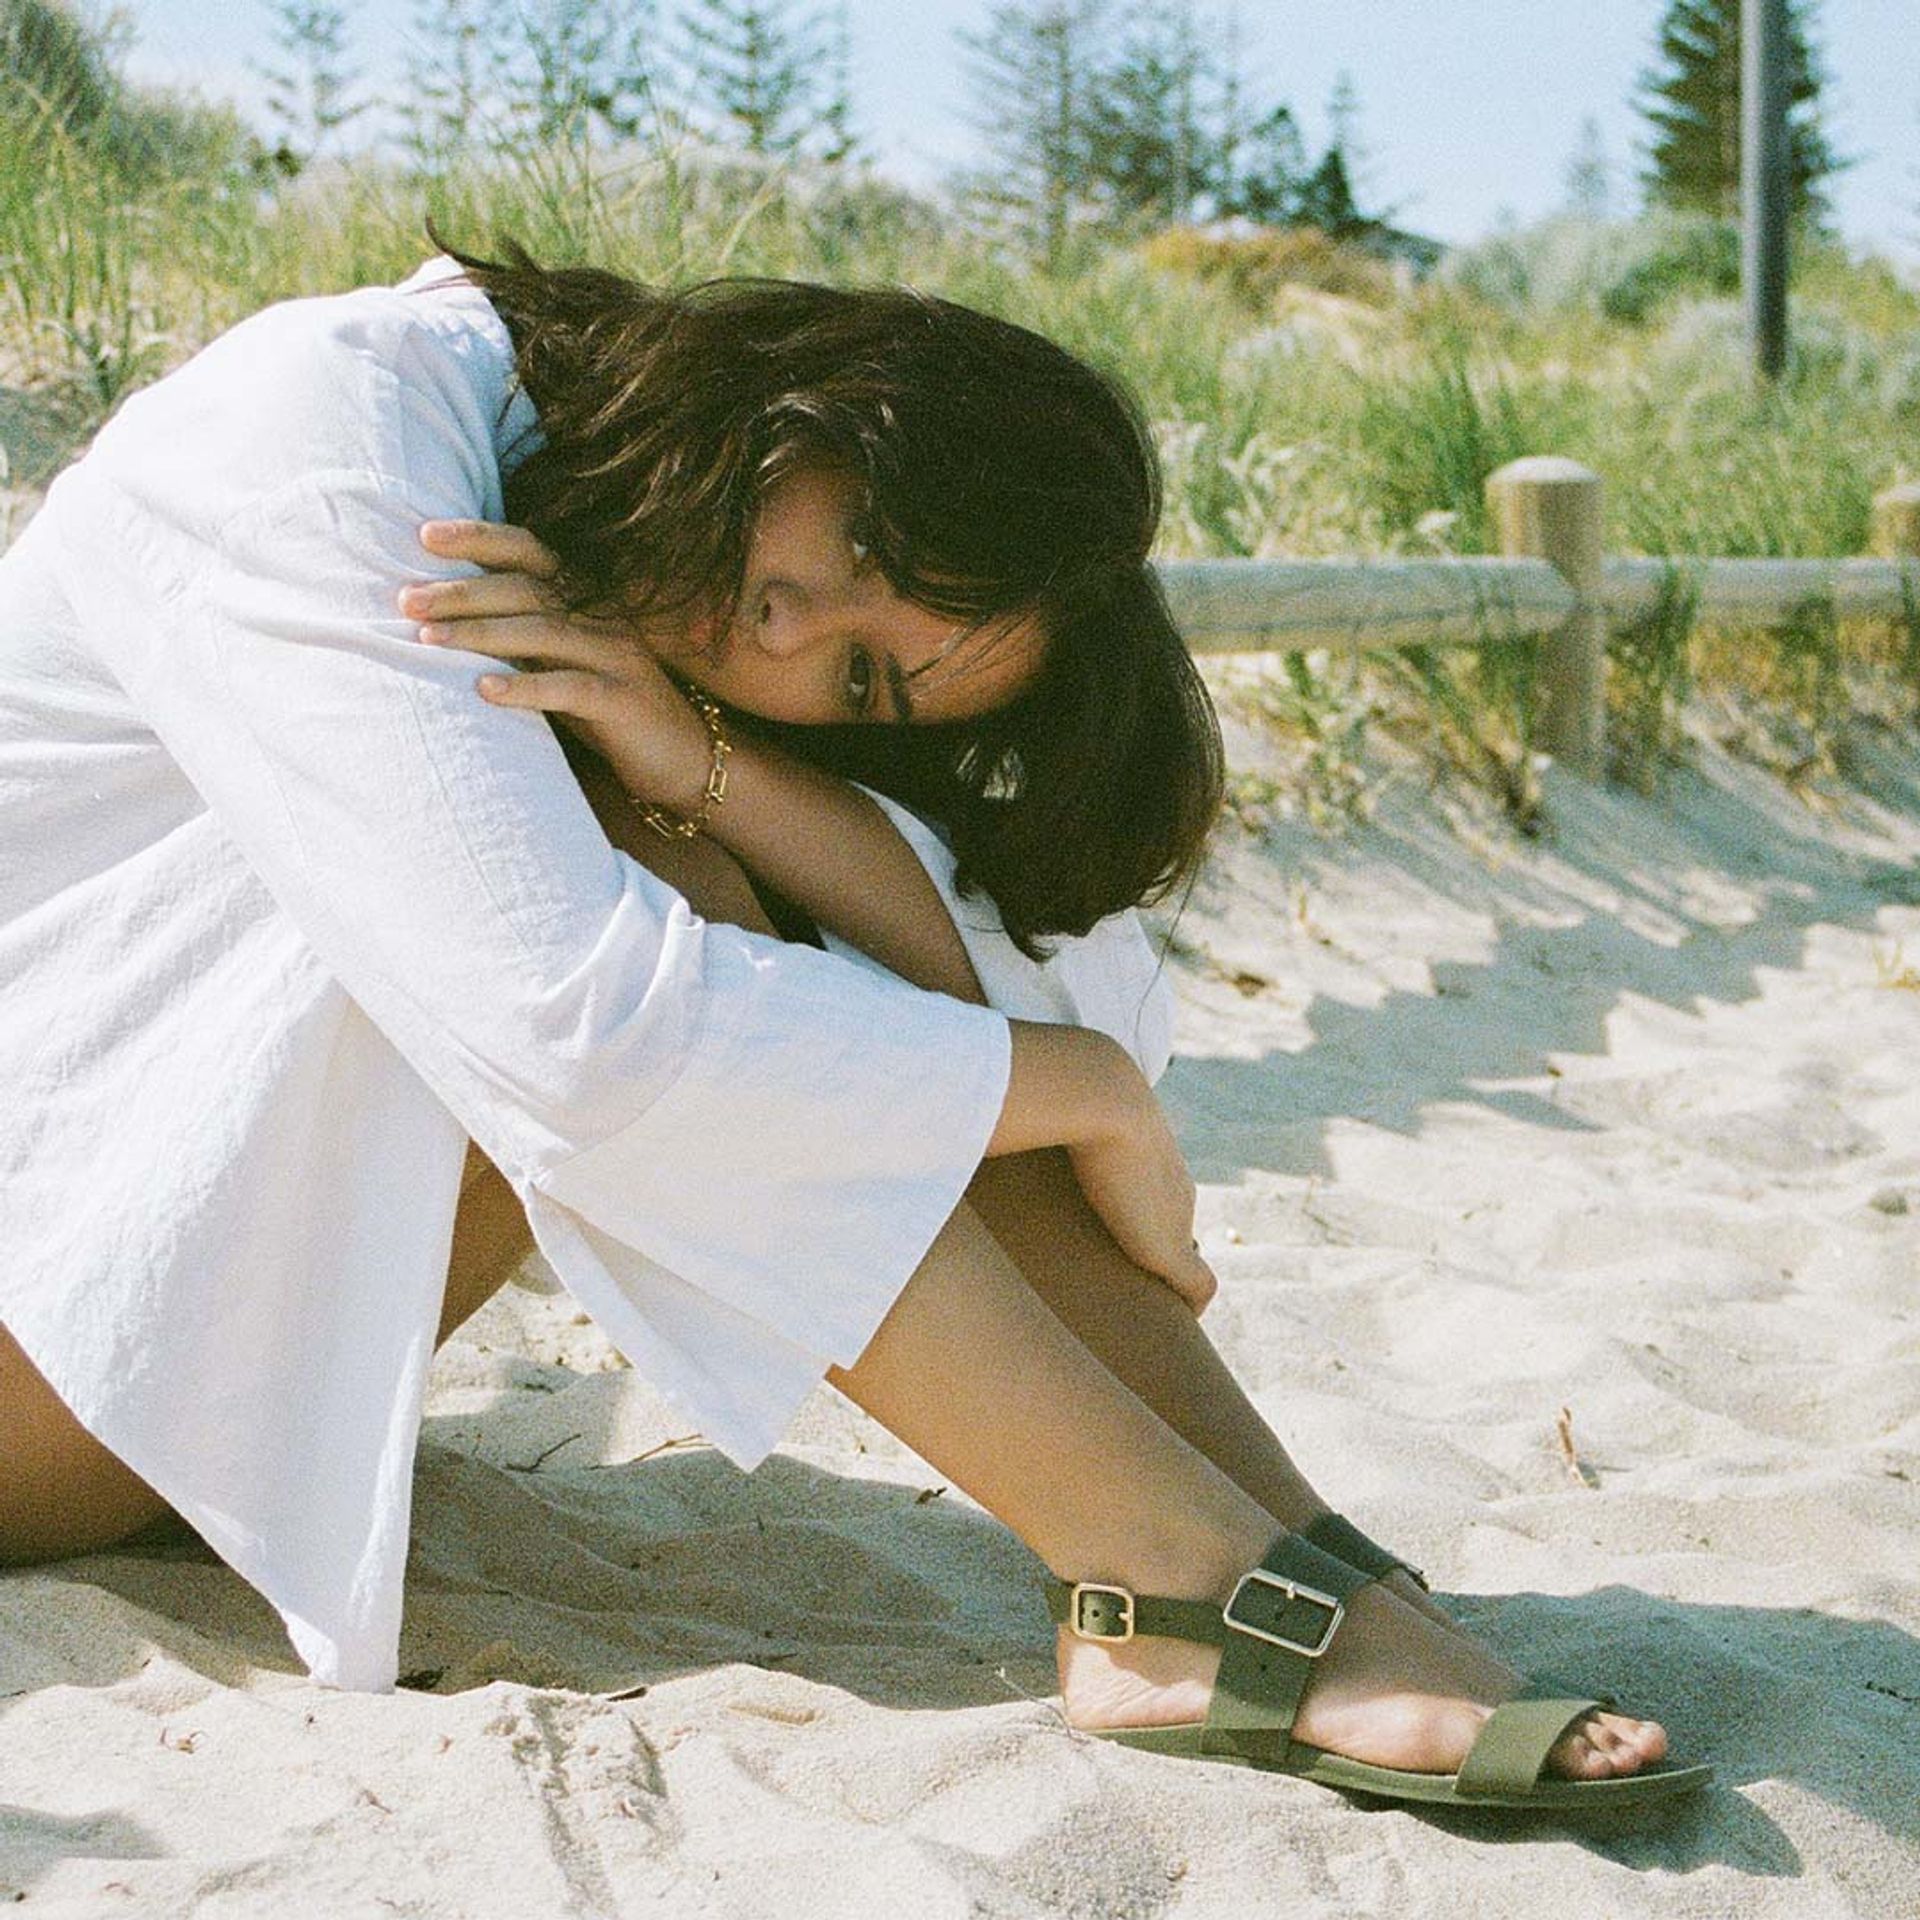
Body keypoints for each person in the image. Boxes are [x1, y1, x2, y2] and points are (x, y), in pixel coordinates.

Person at [0, 248, 1704, 1813]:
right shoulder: (325, 449)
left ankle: (1283, 1544)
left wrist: (706, 758)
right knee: (653, 930)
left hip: (148, 1368)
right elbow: (591, 1050)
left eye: (873, 685)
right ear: (819, 403)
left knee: (716, 894)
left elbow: (982, 979)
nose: (795, 633)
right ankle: (1163, 1575)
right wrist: (1087, 1096)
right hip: (35, 1385)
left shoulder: (598, 546)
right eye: (866, 555)